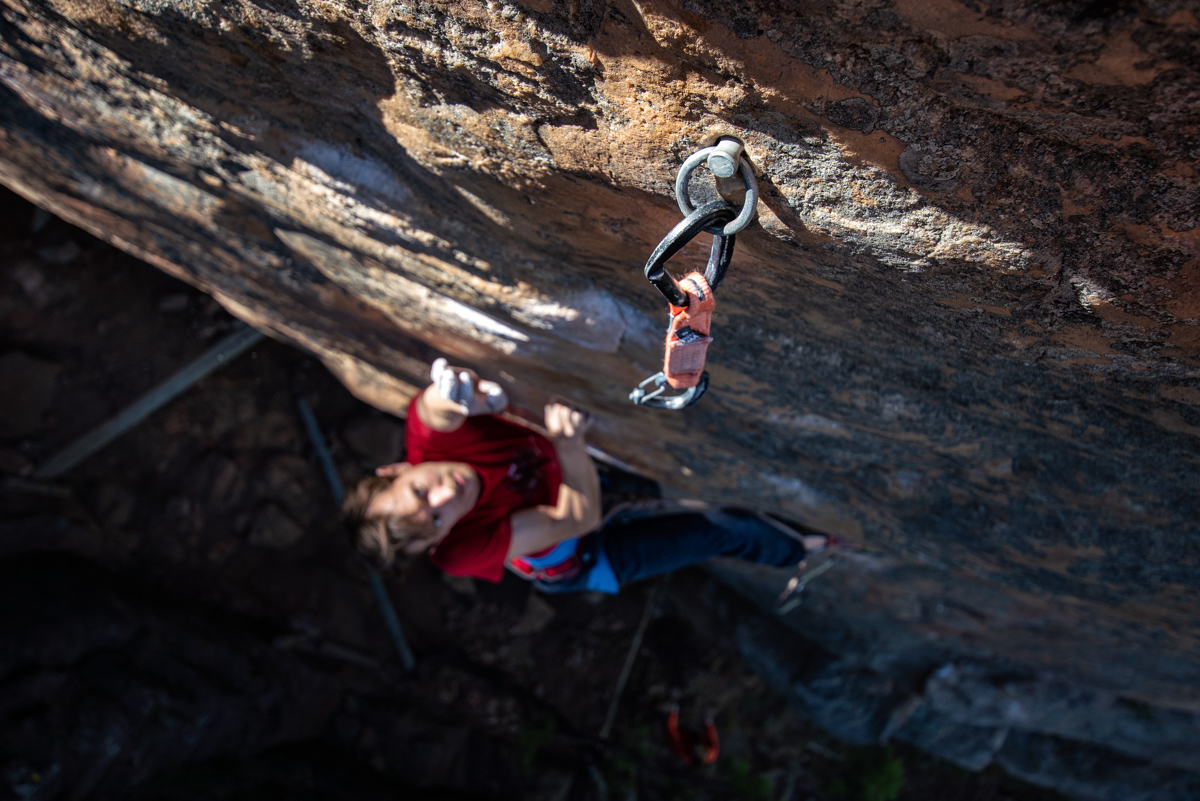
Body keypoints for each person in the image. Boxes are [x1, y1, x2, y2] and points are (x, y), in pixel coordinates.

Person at [343, 359, 837, 594]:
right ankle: (809, 549)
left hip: (577, 484)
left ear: (396, 469)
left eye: (419, 490)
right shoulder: (460, 551)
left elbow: (436, 407)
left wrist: (460, 396)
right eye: (436, 521)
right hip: (583, 552)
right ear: (439, 541)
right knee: (718, 530)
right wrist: (567, 445)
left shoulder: (428, 442)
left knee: (685, 497)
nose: (445, 497)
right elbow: (577, 519)